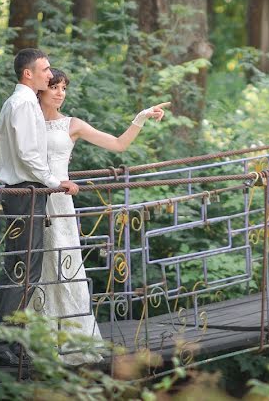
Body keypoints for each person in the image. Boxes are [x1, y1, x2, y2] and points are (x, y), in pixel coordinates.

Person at [36, 68, 168, 365]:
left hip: (60, 203)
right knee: (36, 268)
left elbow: (118, 144)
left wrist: (141, 117)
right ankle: (36, 340)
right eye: (54, 87)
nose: (60, 92)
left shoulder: (72, 124)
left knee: (65, 265)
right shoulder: (26, 120)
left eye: (64, 87)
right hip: (31, 201)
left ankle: (73, 339)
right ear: (40, 89)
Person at [0, 49, 80, 369]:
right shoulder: (23, 104)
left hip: (24, 192)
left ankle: (13, 342)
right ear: (29, 74)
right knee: (22, 271)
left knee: (26, 271)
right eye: (45, 70)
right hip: (25, 194)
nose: (50, 75)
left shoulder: (21, 103)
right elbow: (28, 155)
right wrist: (54, 182)